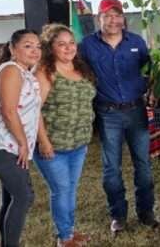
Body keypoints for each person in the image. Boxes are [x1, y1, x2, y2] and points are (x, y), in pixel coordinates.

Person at [78, 0, 157, 234]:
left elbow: (150, 69)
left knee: (143, 165)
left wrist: (153, 90)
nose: (113, 20)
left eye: (117, 15)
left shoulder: (136, 42)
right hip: (107, 113)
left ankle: (146, 212)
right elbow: (76, 71)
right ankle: (118, 215)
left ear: (123, 18)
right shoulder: (87, 46)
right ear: (98, 18)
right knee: (111, 168)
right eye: (107, 16)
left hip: (136, 111)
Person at [0, 29, 42, 247]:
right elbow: (8, 110)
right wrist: (23, 143)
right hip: (0, 144)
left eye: (38, 46)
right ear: (13, 49)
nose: (35, 50)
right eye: (27, 46)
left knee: (10, 197)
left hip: (12, 144)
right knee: (24, 196)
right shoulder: (11, 70)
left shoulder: (25, 73)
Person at [34, 24, 96, 247]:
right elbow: (33, 110)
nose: (68, 48)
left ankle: (68, 231)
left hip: (78, 143)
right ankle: (64, 238)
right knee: (61, 191)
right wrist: (43, 141)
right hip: (54, 145)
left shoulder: (81, 69)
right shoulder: (44, 72)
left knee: (70, 189)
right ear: (50, 47)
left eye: (71, 43)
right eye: (61, 44)